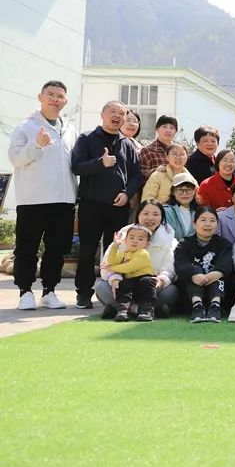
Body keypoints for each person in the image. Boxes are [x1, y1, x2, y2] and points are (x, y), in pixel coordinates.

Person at [8, 80, 76, 310]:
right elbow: (15, 158)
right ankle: (25, 291)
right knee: (27, 248)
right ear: (40, 97)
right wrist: (36, 144)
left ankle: (49, 291)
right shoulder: (25, 127)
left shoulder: (70, 129)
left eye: (60, 96)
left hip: (64, 199)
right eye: (51, 94)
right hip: (33, 199)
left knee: (57, 249)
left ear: (65, 101)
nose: (55, 99)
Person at [71, 100, 142, 309]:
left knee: (118, 251)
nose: (117, 116)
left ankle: (115, 292)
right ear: (102, 114)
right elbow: (76, 167)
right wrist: (100, 163)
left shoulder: (127, 143)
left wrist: (127, 194)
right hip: (91, 204)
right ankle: (83, 293)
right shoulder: (87, 138)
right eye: (113, 112)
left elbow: (136, 175)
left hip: (118, 206)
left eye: (122, 113)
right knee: (88, 250)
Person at [96, 199, 177, 320]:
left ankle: (124, 309)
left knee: (171, 291)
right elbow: (107, 264)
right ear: (138, 215)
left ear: (162, 217)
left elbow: (170, 269)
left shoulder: (169, 240)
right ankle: (143, 310)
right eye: (146, 213)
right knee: (102, 288)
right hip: (125, 287)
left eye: (155, 214)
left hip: (151, 287)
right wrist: (115, 279)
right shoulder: (123, 235)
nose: (150, 218)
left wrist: (160, 281)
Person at [174, 206, 233, 323]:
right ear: (194, 224)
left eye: (212, 220)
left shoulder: (223, 243)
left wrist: (215, 273)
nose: (208, 224)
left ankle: (215, 307)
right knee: (194, 273)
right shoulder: (184, 243)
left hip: (217, 288)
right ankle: (197, 307)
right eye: (203, 220)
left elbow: (226, 263)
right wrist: (195, 274)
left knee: (218, 278)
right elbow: (180, 264)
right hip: (191, 291)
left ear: (217, 224)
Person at [99, 225, 157, 322]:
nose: (135, 241)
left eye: (140, 239)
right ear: (125, 241)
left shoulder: (143, 253)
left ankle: (147, 310)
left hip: (144, 279)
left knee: (147, 281)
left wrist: (111, 268)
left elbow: (129, 267)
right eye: (131, 238)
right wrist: (115, 246)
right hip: (131, 281)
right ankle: (123, 310)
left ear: (147, 244)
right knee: (123, 283)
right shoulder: (125, 253)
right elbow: (112, 261)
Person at [137, 115, 179, 180]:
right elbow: (140, 176)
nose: (168, 130)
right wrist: (155, 171)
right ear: (157, 129)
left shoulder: (180, 151)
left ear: (176, 131)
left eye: (172, 127)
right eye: (164, 127)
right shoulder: (147, 151)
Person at [164, 172, 199, 239]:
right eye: (180, 190)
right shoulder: (166, 212)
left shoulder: (199, 211)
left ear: (194, 192)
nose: (184, 193)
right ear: (173, 192)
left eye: (188, 190)